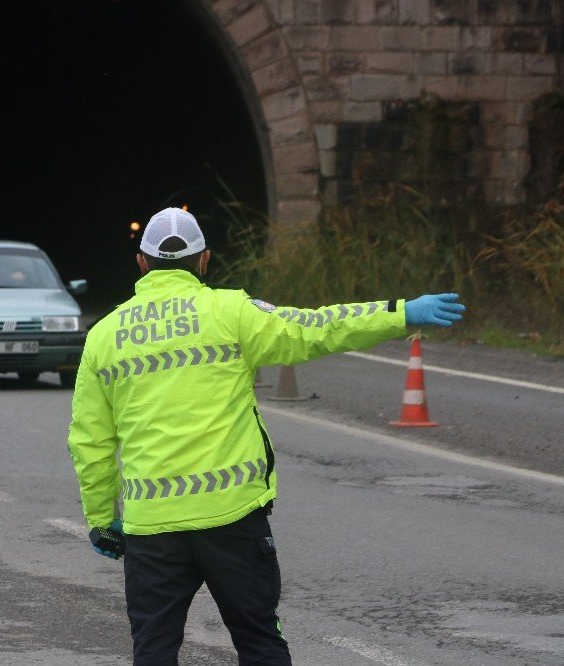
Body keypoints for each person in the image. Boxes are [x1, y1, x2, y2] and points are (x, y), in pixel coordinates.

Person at [66, 207, 465, 665]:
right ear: (204, 261)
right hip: (232, 517)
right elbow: (318, 328)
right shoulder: (232, 312)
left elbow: (90, 442)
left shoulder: (104, 336)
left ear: (141, 263)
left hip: (151, 526)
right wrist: (401, 314)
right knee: (258, 641)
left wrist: (101, 517)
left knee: (154, 650)